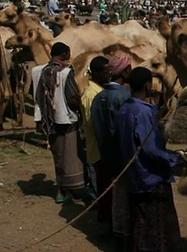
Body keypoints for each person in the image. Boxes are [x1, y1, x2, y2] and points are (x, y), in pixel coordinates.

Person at [117, 67, 181, 251]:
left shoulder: (125, 109)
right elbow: (151, 148)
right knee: (157, 227)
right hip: (150, 179)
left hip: (134, 177)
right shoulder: (144, 112)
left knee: (140, 224)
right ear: (147, 85)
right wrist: (176, 158)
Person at [33, 42, 83, 203]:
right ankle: (70, 189)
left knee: (57, 154)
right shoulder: (65, 72)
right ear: (64, 55)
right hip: (65, 119)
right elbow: (72, 98)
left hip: (47, 120)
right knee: (71, 155)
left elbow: (34, 94)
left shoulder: (36, 71)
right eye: (68, 53)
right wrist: (82, 109)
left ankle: (61, 189)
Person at [91, 53, 133, 247]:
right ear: (125, 71)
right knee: (125, 199)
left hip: (105, 155)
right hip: (124, 159)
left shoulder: (98, 97)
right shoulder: (124, 96)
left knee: (112, 195)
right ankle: (125, 236)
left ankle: (113, 229)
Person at [81, 56, 111, 228]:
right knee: (103, 192)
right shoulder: (91, 96)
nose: (109, 75)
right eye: (106, 72)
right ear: (97, 73)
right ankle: (103, 224)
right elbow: (95, 126)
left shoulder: (99, 92)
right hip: (98, 150)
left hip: (101, 150)